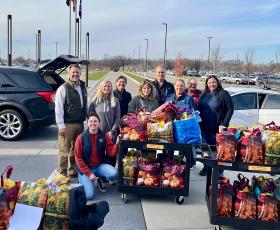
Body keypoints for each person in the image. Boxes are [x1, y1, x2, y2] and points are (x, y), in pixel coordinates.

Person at [74, 112, 119, 200]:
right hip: (85, 169)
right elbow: (78, 158)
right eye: (90, 121)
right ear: (87, 123)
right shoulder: (81, 137)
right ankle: (82, 179)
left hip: (99, 166)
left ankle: (99, 178)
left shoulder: (104, 136)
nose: (93, 123)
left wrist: (117, 143)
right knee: (89, 196)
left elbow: (111, 153)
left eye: (95, 121)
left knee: (114, 174)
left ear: (99, 123)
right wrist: (89, 174)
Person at [55, 64, 87, 178]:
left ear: (80, 73)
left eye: (77, 72)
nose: (75, 74)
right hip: (67, 124)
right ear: (69, 73)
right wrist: (61, 126)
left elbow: (84, 104)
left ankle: (72, 169)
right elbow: (58, 108)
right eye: (73, 72)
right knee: (64, 150)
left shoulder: (82, 86)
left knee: (75, 149)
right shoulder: (63, 88)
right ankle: (62, 174)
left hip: (79, 123)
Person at [198, 75, 234, 176]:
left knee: (219, 152)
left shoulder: (223, 94)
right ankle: (206, 168)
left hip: (217, 129)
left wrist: (224, 124)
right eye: (209, 83)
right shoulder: (204, 94)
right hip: (204, 128)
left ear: (217, 82)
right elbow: (199, 109)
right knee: (205, 150)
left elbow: (230, 110)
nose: (211, 84)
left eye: (213, 82)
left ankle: (219, 171)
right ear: (206, 84)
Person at [88, 80, 121, 166]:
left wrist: (112, 131)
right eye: (104, 86)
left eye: (109, 86)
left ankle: (110, 175)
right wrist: (95, 130)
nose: (107, 88)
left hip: (111, 134)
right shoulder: (95, 100)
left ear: (111, 88)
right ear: (101, 88)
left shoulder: (115, 101)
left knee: (111, 156)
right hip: (98, 133)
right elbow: (90, 117)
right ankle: (101, 177)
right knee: (99, 156)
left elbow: (117, 118)